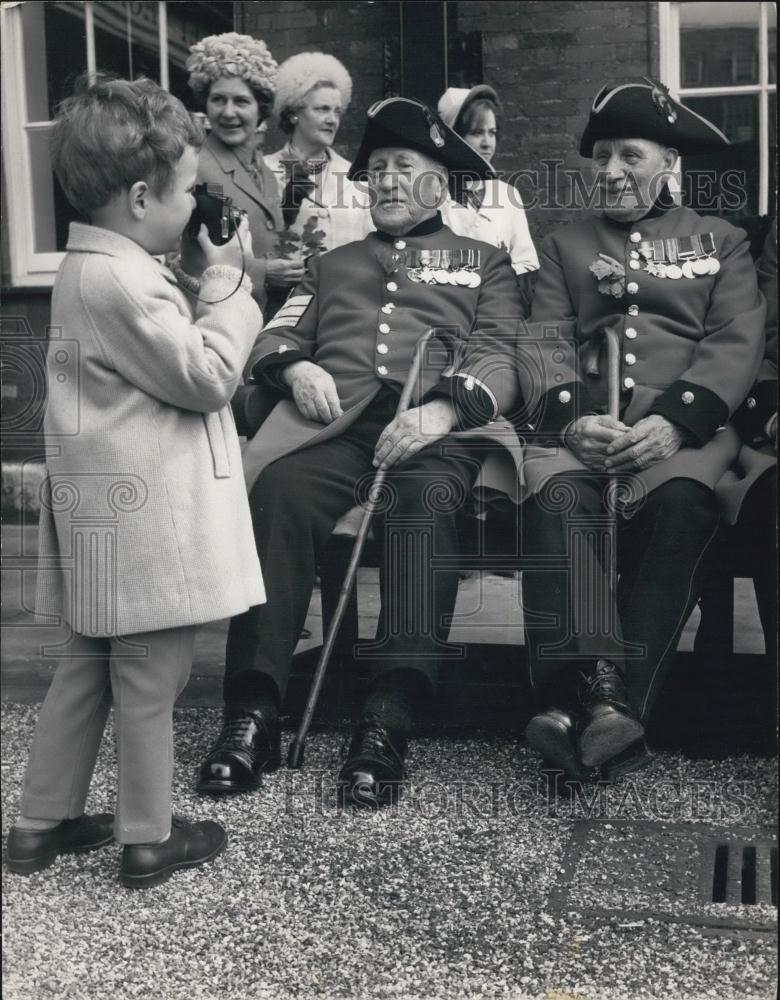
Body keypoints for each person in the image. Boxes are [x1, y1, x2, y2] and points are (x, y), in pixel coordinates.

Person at [197, 97, 525, 807]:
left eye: (405, 167)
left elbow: (503, 356)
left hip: (439, 432)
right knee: (279, 492)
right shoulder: (332, 264)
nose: (385, 181)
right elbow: (275, 335)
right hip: (335, 426)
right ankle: (253, 710)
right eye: (376, 169)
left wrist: (444, 407)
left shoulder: (486, 263)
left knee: (421, 506)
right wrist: (292, 368)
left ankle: (388, 716)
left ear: (441, 182)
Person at [5, 78, 264, 887]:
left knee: (86, 669)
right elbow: (206, 374)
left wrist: (188, 275)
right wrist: (225, 282)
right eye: (189, 191)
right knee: (153, 677)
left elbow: (153, 351)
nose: (196, 207)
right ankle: (149, 836)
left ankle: (37, 825)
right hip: (151, 527)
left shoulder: (96, 268)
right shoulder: (124, 282)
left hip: (106, 519)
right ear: (144, 194)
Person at [516, 81, 766, 782]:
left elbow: (735, 341)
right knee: (559, 503)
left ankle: (586, 708)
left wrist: (673, 421)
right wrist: (571, 419)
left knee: (681, 511)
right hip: (585, 432)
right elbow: (541, 341)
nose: (613, 170)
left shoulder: (721, 241)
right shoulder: (567, 244)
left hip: (681, 435)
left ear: (668, 165)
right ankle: (606, 707)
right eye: (602, 157)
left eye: (631, 154)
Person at [180, 32, 304, 310]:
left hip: (263, 317)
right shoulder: (194, 167)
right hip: (217, 314)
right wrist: (265, 272)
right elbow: (197, 258)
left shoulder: (267, 173)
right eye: (218, 100)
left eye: (241, 101)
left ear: (261, 108)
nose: (228, 112)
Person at [264, 52, 372, 300]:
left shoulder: (355, 176)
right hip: (282, 309)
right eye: (323, 109)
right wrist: (266, 271)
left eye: (337, 111)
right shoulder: (263, 171)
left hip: (345, 308)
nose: (332, 120)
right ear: (294, 113)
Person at [437, 85, 539, 301]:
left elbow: (527, 262)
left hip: (501, 306)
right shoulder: (435, 195)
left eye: (492, 133)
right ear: (454, 136)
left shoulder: (507, 195)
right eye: (476, 133)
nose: (487, 143)